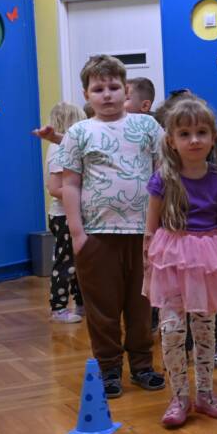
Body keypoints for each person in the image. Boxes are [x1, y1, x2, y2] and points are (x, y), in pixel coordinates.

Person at [59, 54, 166, 398]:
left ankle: (142, 365)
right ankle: (108, 369)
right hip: (97, 236)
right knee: (102, 309)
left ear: (126, 90)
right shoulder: (79, 132)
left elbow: (163, 176)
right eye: (98, 89)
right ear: (86, 94)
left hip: (144, 235)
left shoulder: (148, 127)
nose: (106, 94)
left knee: (141, 305)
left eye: (114, 87)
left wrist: (163, 227)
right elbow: (69, 184)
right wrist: (78, 234)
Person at [144, 98, 217, 427]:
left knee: (205, 329)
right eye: (185, 134)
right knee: (172, 331)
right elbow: (150, 230)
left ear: (213, 137)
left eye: (201, 132)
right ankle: (179, 397)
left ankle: (205, 394)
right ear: (171, 140)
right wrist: (147, 272)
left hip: (207, 261)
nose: (194, 140)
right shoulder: (163, 179)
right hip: (171, 260)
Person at [44, 102, 87, 323]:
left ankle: (81, 303)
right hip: (63, 216)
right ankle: (58, 307)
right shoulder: (59, 150)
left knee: (79, 262)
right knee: (65, 262)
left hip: (71, 214)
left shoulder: (66, 148)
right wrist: (84, 194)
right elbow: (54, 188)